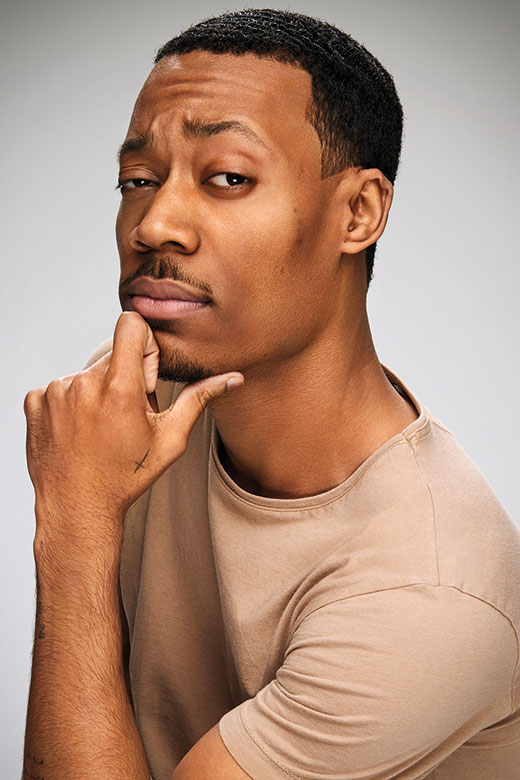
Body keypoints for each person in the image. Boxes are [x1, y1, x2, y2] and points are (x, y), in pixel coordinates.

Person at [22, 8, 520, 780]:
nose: (155, 224)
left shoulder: (427, 593)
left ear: (358, 213)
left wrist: (75, 527)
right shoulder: (135, 413)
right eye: (138, 181)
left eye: (228, 177)